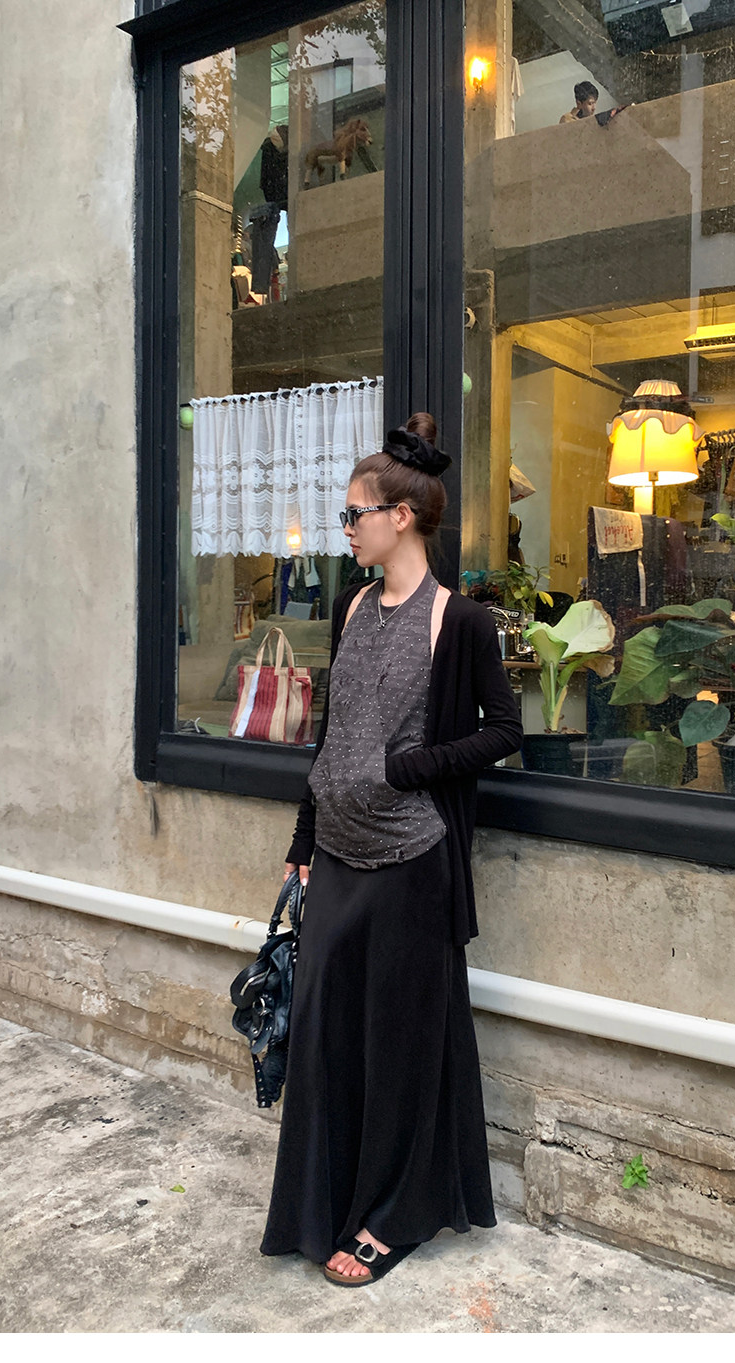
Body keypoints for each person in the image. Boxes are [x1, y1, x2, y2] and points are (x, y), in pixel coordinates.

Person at [260, 412, 524, 1286]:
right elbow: (334, 734)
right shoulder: (351, 607)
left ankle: (392, 1216)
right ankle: (325, 1202)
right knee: (327, 1039)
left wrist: (408, 768)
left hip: (414, 860)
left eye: (354, 514)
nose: (345, 528)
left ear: (400, 517)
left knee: (400, 1044)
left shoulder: (461, 621)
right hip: (339, 854)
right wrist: (303, 838)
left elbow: (504, 731)